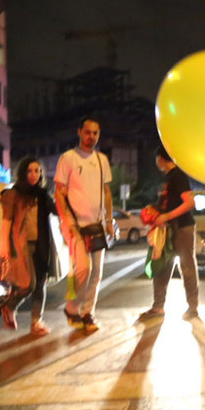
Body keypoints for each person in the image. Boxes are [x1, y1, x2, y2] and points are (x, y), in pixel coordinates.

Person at [54, 117, 113, 332]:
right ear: (79, 132)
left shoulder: (101, 160)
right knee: (83, 269)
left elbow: (106, 192)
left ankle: (88, 312)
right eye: (87, 132)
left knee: (96, 271)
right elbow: (59, 193)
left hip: (96, 225)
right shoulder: (67, 158)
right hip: (75, 226)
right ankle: (72, 308)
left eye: (95, 133)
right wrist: (68, 221)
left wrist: (109, 220)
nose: (91, 137)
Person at [138, 146, 200, 321]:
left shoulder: (178, 176)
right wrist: (155, 210)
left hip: (182, 227)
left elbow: (189, 203)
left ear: (160, 158)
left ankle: (193, 307)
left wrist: (167, 215)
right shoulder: (167, 179)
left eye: (156, 158)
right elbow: (168, 202)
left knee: (187, 266)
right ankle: (158, 307)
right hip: (166, 229)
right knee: (161, 266)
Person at [0, 157, 57, 337]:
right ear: (23, 173)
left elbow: (58, 212)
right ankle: (9, 307)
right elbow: (7, 222)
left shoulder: (43, 195)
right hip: (21, 246)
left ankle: (36, 322)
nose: (34, 175)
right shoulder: (14, 194)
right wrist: (5, 247)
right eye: (30, 171)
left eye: (37, 171)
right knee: (28, 285)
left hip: (41, 246)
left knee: (40, 284)